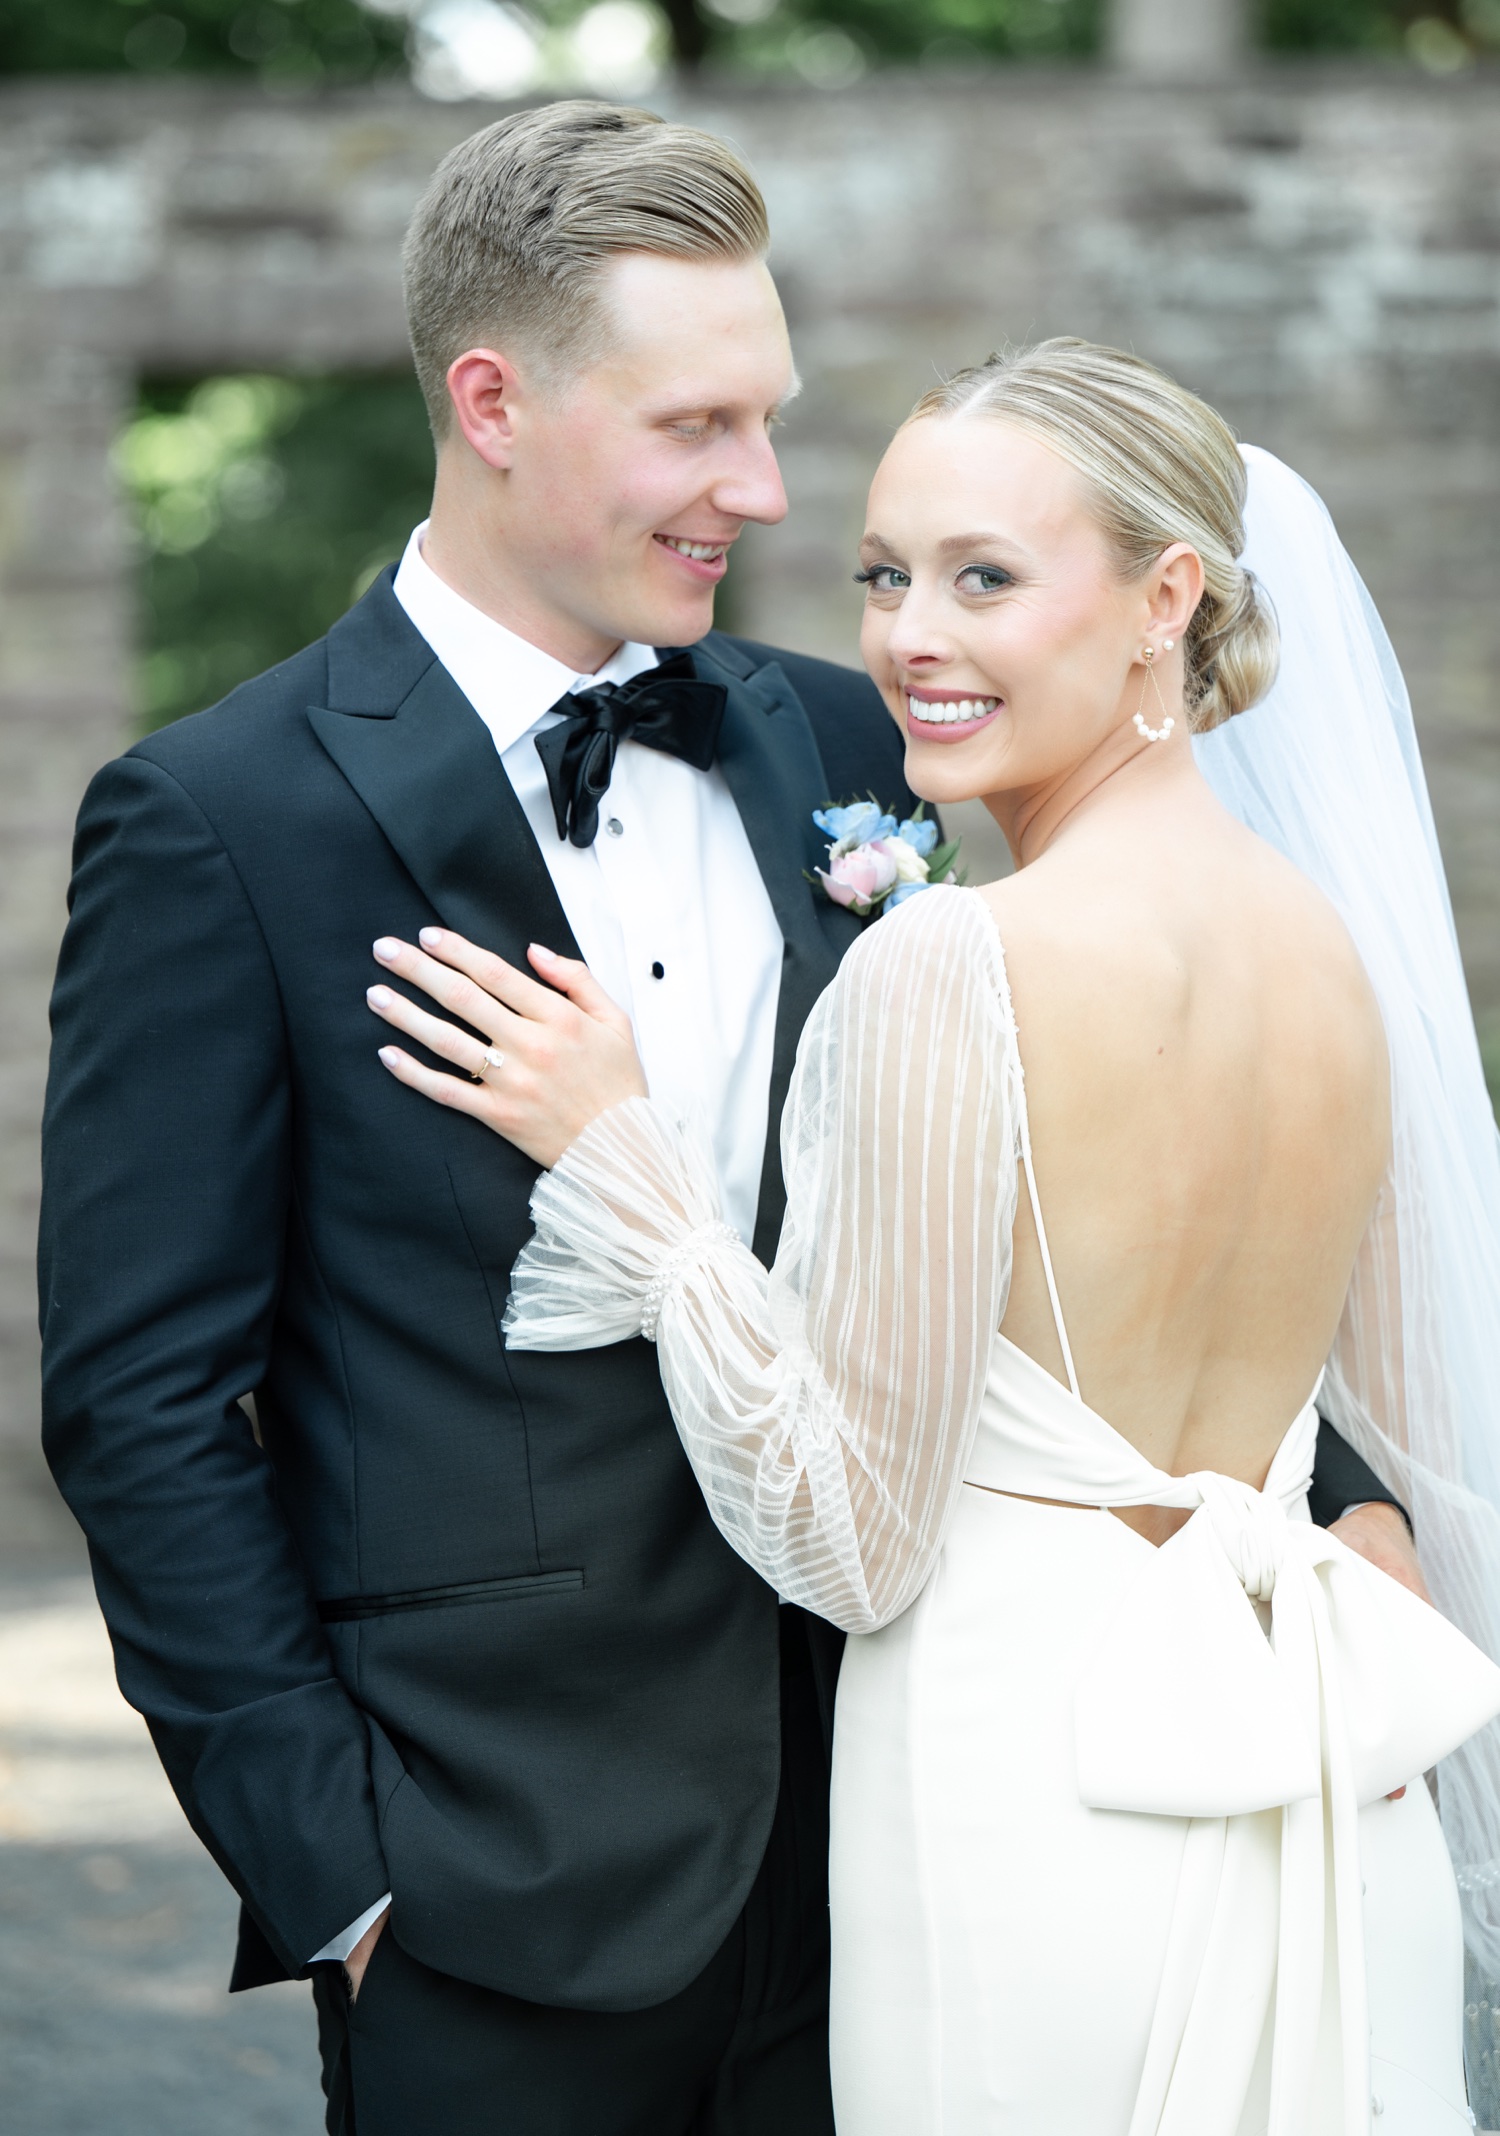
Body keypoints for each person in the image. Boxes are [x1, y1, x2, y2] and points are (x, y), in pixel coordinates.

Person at [39, 101, 1408, 2131]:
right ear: (494, 402)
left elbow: (1087, 1174)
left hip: (919, 1822)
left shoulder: (859, 737)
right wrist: (335, 1867)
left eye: (766, 421)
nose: (758, 489)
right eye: (697, 428)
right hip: (499, 1885)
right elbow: (142, 1400)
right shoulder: (223, 822)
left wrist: (1322, 1483)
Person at [372, 341, 1500, 2132]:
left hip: (1033, 1782)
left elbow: (850, 1535)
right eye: (885, 575)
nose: (909, 635)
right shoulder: (1332, 955)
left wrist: (637, 1181)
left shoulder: (956, 961)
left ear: (1168, 596)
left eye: (985, 576)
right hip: (1298, 1755)